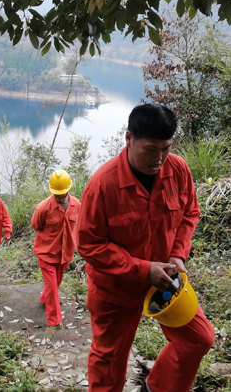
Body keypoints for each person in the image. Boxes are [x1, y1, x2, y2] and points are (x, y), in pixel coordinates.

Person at [77, 104, 213, 392]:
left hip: (167, 282)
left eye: (166, 148)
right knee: (109, 360)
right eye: (151, 149)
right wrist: (141, 269)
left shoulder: (177, 169)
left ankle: (157, 387)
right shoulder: (103, 185)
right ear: (129, 138)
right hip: (116, 288)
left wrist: (178, 253)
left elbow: (190, 211)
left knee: (198, 339)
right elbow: (90, 245)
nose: (159, 158)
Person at [30, 170, 81, 329]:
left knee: (56, 283)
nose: (60, 196)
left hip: (65, 253)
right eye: (57, 193)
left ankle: (44, 298)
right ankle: (54, 320)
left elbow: (78, 225)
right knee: (52, 288)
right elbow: (35, 225)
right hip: (46, 254)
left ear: (68, 189)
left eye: (63, 192)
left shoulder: (77, 205)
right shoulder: (43, 208)